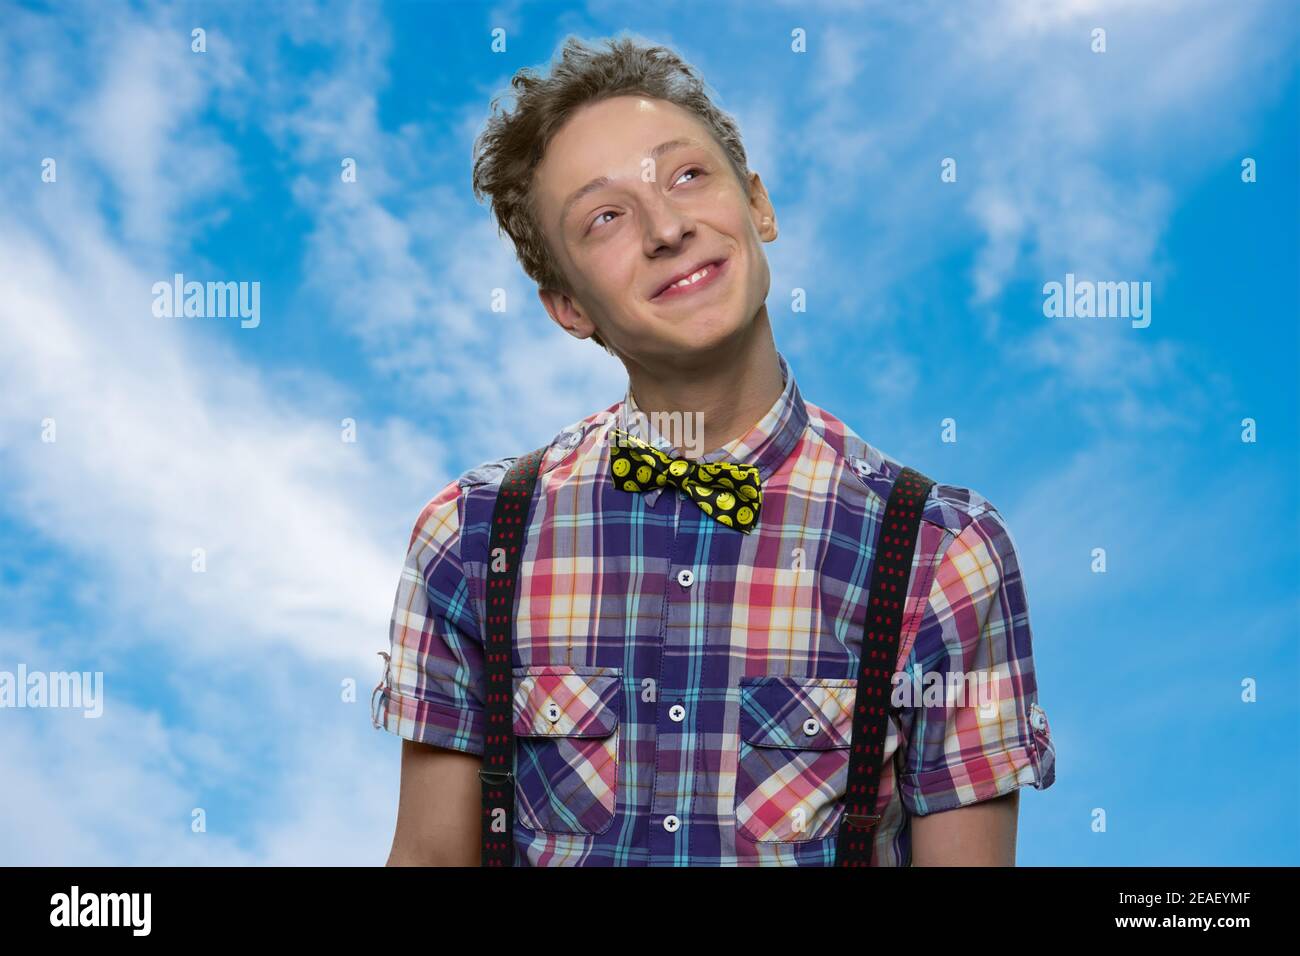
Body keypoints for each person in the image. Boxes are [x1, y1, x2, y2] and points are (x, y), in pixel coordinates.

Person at [372, 34, 1056, 866]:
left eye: (687, 175)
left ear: (758, 205)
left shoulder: (943, 553)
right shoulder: (475, 539)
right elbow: (432, 859)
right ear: (567, 307)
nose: (667, 227)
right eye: (605, 217)